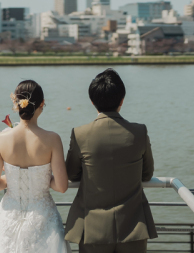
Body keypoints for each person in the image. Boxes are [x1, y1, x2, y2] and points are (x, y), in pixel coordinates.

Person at [65, 68, 157, 253]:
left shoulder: (80, 134)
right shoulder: (139, 132)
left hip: (92, 228)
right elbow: (147, 174)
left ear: (92, 101)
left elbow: (72, 174)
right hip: (133, 227)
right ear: (122, 99)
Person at [0, 80, 71, 253]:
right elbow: (62, 186)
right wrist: (42, 178)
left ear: (15, 104)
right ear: (41, 104)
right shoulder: (52, 139)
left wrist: (11, 177)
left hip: (7, 218)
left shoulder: (1, 139)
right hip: (43, 220)